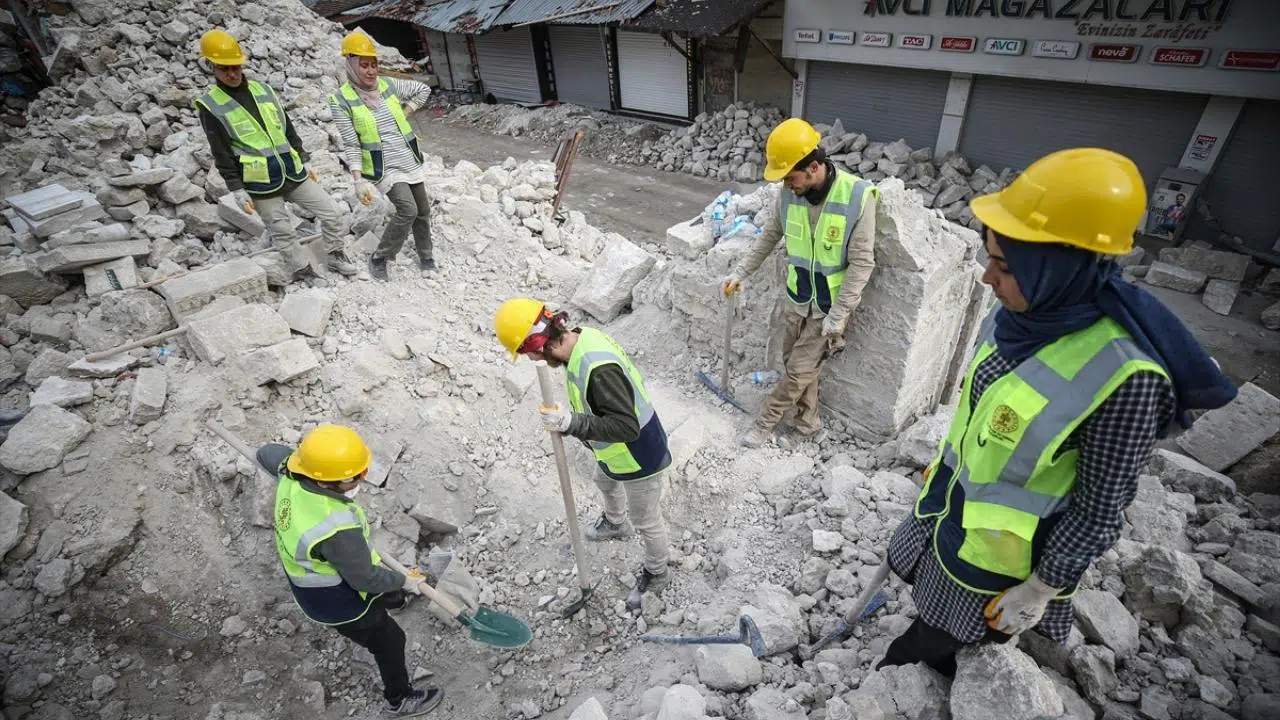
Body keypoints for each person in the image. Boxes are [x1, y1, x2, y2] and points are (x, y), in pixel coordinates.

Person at [878, 148, 1237, 677]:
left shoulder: (1126, 381)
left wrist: (1042, 587)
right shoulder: (1022, 313)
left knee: (931, 647)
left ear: (1056, 266)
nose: (986, 279)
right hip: (948, 505)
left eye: (1002, 265)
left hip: (1003, 559)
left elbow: (1098, 509)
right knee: (929, 594)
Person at [493, 298, 674, 595]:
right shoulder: (581, 339)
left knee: (646, 520)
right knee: (602, 479)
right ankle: (615, 522)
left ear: (539, 342)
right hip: (614, 453)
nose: (531, 360)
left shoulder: (597, 368)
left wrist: (571, 423)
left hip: (639, 455)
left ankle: (658, 572)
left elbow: (626, 427)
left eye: (527, 352)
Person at [259, 424, 443, 716]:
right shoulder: (335, 527)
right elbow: (365, 578)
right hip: (336, 601)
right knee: (391, 640)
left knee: (387, 591)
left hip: (328, 573)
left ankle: (395, 598)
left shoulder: (293, 473)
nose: (362, 478)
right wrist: (403, 580)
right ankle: (400, 699)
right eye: (356, 476)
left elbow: (266, 452)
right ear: (329, 481)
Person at [720, 118, 878, 448]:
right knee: (800, 368)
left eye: (791, 178)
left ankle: (764, 424)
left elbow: (862, 263)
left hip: (828, 309)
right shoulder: (789, 195)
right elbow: (770, 236)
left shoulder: (857, 196)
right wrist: (740, 272)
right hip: (798, 299)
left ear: (814, 168)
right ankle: (809, 424)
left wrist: (839, 315)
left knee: (795, 374)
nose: (787, 186)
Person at [193, 28, 357, 277]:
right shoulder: (211, 106)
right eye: (224, 68)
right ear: (211, 67)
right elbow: (221, 152)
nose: (232, 73)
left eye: (235, 67)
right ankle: (302, 269)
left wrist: (303, 158)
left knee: (332, 212)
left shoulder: (264, 92)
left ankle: (335, 255)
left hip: (292, 172)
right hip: (260, 182)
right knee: (282, 230)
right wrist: (236, 188)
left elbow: (287, 128)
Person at [328, 31, 436, 281]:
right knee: (407, 210)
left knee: (422, 210)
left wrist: (406, 111)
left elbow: (422, 89)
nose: (370, 71)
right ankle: (381, 256)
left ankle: (426, 255)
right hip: (383, 166)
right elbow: (351, 143)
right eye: (363, 65)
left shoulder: (387, 85)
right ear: (351, 65)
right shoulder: (341, 100)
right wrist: (357, 180)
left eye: (373, 64)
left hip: (407, 157)